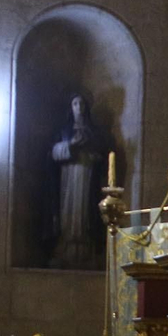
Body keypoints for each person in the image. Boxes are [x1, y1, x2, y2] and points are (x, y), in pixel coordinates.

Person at [49, 93, 113, 270]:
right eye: (75, 103)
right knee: (68, 207)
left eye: (82, 104)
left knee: (85, 208)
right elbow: (53, 153)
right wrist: (70, 146)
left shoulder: (92, 132)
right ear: (71, 107)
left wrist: (90, 151)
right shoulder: (64, 131)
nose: (79, 107)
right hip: (68, 176)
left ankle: (86, 244)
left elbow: (102, 154)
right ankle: (65, 243)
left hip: (87, 174)